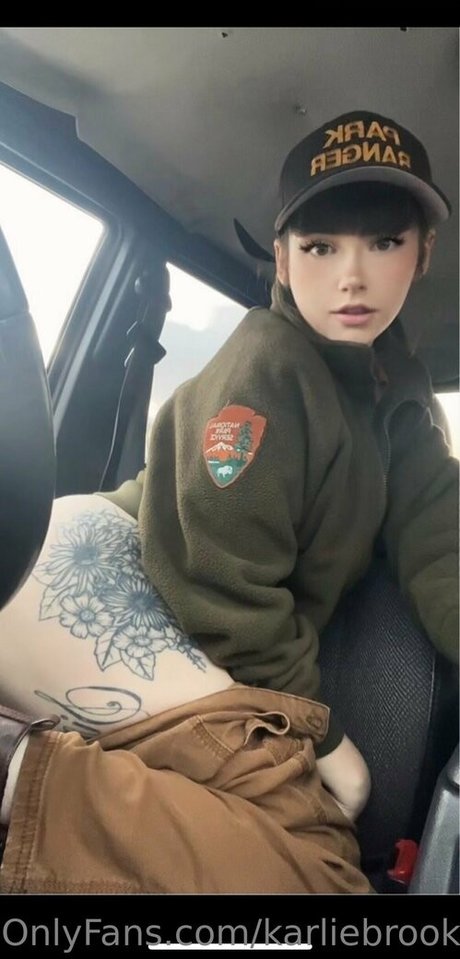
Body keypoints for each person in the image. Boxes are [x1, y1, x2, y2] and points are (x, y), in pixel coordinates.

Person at [0, 110, 457, 894]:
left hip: (168, 611)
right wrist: (325, 735)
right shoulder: (269, 365)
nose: (351, 276)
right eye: (320, 246)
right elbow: (218, 582)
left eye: (384, 242)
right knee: (323, 868)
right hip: (107, 585)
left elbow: (439, 538)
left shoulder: (396, 392)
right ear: (282, 258)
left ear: (424, 253)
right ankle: (19, 771)